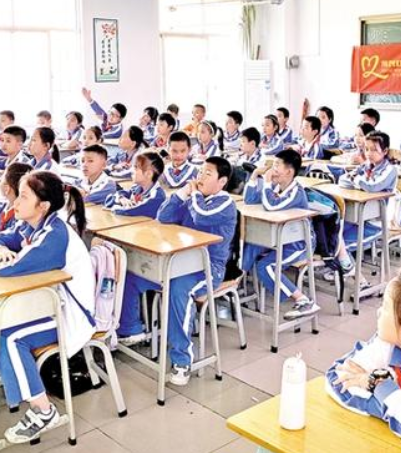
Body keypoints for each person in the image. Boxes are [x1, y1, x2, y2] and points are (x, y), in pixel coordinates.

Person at [0, 172, 95, 444]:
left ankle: (44, 411)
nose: (15, 202)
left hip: (69, 314)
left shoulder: (54, 236)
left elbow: (8, 269)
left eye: (23, 197)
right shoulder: (31, 225)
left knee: (10, 337)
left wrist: (0, 257)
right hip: (44, 303)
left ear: (43, 206)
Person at [156, 157, 236, 385]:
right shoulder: (194, 198)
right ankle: (132, 330)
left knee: (178, 289)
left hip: (209, 268)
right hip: (181, 262)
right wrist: (182, 193)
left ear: (222, 182)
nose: (200, 177)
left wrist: (193, 195)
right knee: (138, 276)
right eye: (200, 172)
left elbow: (202, 215)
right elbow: (163, 217)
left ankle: (182, 359)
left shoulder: (225, 203)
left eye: (207, 174)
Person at [241, 149, 320, 320]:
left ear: (289, 172)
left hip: (299, 244)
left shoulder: (296, 192)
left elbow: (271, 206)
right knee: (252, 243)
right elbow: (250, 200)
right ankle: (236, 280)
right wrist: (254, 177)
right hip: (278, 238)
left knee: (266, 266)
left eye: (277, 165)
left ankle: (303, 300)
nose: (273, 169)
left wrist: (266, 183)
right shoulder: (277, 187)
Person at [326, 274, 401, 437]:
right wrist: (391, 407)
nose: (378, 312)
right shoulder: (387, 344)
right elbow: (337, 377)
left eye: (385, 307)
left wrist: (377, 385)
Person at [327, 131, 398, 289]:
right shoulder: (366, 166)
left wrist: (357, 180)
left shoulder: (390, 170)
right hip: (358, 217)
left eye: (374, 150)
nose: (369, 153)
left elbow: (373, 186)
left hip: (375, 223)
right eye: (366, 149)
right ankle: (345, 269)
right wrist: (359, 181)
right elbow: (343, 180)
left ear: (385, 151)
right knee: (331, 234)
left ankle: (360, 280)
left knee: (339, 244)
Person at [104, 151, 166, 216]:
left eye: (136, 167)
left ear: (148, 174)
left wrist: (115, 207)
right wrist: (121, 198)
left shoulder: (156, 197)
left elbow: (131, 211)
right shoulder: (137, 188)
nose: (131, 170)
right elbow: (110, 198)